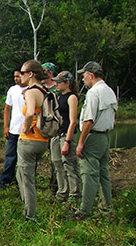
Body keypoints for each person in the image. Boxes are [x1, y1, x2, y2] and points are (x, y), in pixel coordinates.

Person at [66, 61, 117, 220]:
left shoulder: (94, 93)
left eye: (83, 76)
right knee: (103, 175)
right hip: (104, 137)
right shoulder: (109, 91)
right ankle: (106, 209)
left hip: (93, 137)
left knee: (88, 174)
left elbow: (88, 120)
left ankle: (84, 212)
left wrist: (80, 143)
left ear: (91, 75)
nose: (82, 79)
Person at [16, 60, 50, 222]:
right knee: (21, 174)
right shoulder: (44, 91)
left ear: (31, 74)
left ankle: (30, 215)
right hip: (42, 140)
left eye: (22, 73)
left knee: (27, 179)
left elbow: (30, 113)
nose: (20, 76)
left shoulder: (31, 92)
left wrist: (25, 127)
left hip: (29, 140)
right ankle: (28, 208)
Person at [50, 71, 81, 202]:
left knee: (69, 165)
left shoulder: (72, 97)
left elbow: (73, 121)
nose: (56, 84)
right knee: (57, 164)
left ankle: (74, 195)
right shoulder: (59, 97)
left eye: (59, 82)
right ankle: (62, 193)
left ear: (67, 83)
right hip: (56, 135)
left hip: (66, 135)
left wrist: (67, 141)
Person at [0, 69, 27, 189]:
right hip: (14, 129)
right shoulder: (12, 90)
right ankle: (5, 181)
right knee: (10, 156)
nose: (16, 79)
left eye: (18, 76)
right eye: (14, 76)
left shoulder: (30, 90)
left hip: (26, 130)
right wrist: (6, 126)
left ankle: (23, 181)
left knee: (24, 158)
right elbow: (7, 109)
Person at [42, 62, 59, 194]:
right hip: (43, 127)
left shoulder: (58, 88)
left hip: (56, 126)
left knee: (56, 157)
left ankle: (56, 184)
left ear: (50, 74)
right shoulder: (41, 88)